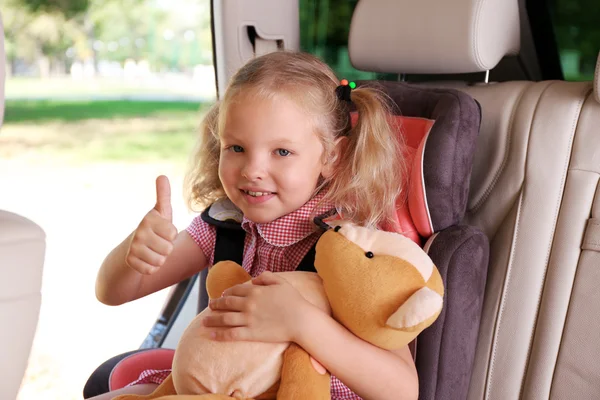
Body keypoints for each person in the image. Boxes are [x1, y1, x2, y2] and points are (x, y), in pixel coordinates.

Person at [92, 51, 417, 400]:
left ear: (331, 157)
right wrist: (135, 254)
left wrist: (301, 323)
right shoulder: (226, 226)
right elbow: (111, 293)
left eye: (281, 152)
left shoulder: (352, 250)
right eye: (237, 147)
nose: (252, 170)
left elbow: (403, 390)